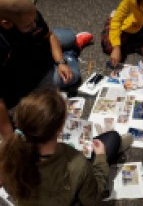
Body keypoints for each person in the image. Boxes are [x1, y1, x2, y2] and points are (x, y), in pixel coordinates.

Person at [0, 88, 133, 205]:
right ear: (60, 129)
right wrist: (101, 157)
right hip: (72, 194)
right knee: (112, 139)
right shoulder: (77, 164)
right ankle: (117, 145)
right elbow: (93, 200)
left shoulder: (7, 154)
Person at [0, 0, 93, 139]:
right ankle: (71, 52)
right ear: (6, 23)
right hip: (23, 75)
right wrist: (9, 140)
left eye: (34, 20)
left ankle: (68, 48)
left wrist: (60, 62)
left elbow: (48, 35)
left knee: (68, 37)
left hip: (37, 47)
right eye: (28, 25)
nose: (34, 25)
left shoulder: (31, 18)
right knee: (70, 78)